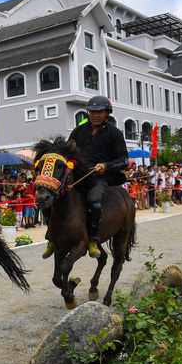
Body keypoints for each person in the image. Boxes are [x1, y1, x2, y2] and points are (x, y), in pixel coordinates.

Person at [63, 95, 128, 258]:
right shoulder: (78, 131)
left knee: (94, 202)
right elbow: (67, 150)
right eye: (92, 112)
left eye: (99, 112)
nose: (95, 115)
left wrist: (106, 166)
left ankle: (93, 239)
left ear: (107, 113)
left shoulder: (115, 133)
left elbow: (124, 160)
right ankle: (52, 236)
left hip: (98, 177)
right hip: (78, 175)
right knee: (55, 193)